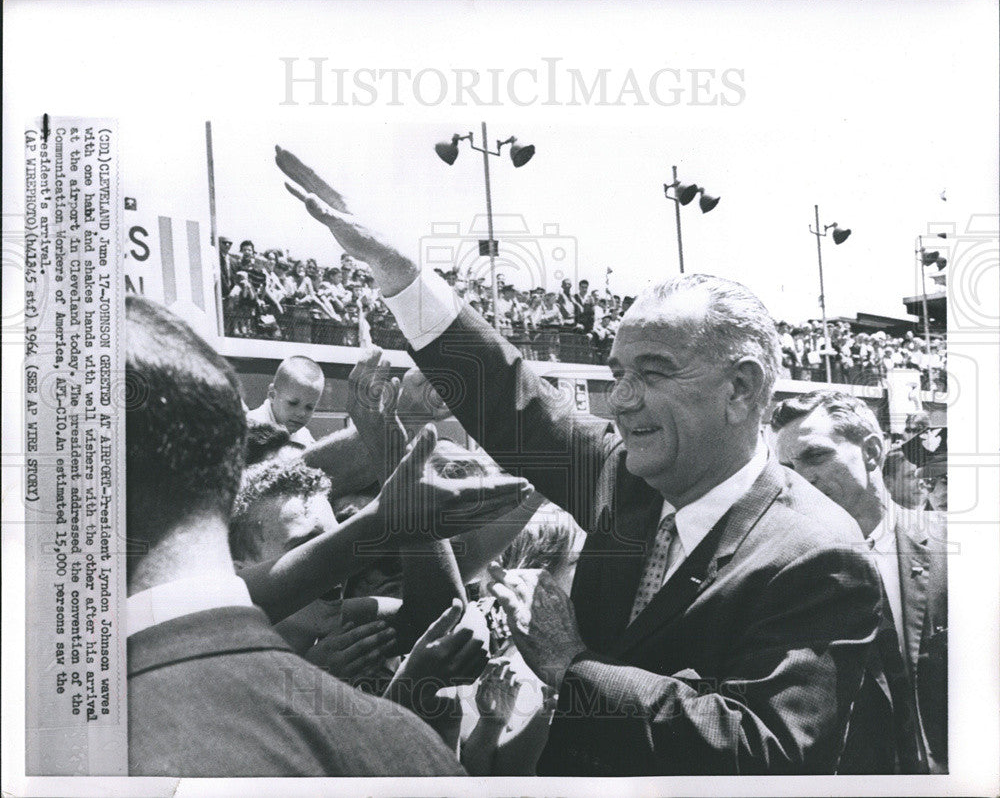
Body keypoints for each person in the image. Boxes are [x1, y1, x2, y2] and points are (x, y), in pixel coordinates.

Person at [276, 147, 885, 775]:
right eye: (617, 373)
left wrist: (574, 666)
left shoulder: (819, 553)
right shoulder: (622, 474)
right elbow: (510, 398)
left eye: (654, 373)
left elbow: (769, 755)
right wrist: (398, 271)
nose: (620, 401)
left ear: (741, 389)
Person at [124, 294, 465, 776]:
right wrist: (315, 683)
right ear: (236, 558)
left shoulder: (344, 622)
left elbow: (440, 611)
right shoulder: (398, 749)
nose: (338, 566)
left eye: (337, 542)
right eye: (312, 550)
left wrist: (397, 439)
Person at [770, 390, 947, 773]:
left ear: (871, 451)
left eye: (816, 455)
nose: (801, 478)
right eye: (787, 467)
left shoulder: (955, 546)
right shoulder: (784, 575)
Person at [247, 355, 325, 444]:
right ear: (272, 395)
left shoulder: (304, 437)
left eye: (309, 407)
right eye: (293, 403)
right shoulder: (250, 431)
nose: (301, 413)